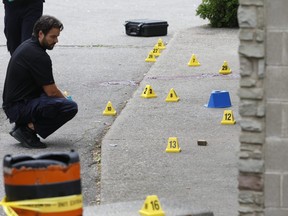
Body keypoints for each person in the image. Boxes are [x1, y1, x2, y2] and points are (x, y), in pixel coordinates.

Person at [2, 15, 78, 149]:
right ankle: (27, 130)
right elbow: (51, 91)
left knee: (57, 101)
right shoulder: (38, 56)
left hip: (17, 103)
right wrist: (66, 101)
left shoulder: (28, 46)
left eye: (57, 36)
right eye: (53, 37)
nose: (56, 41)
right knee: (69, 107)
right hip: (18, 107)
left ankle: (23, 125)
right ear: (41, 34)